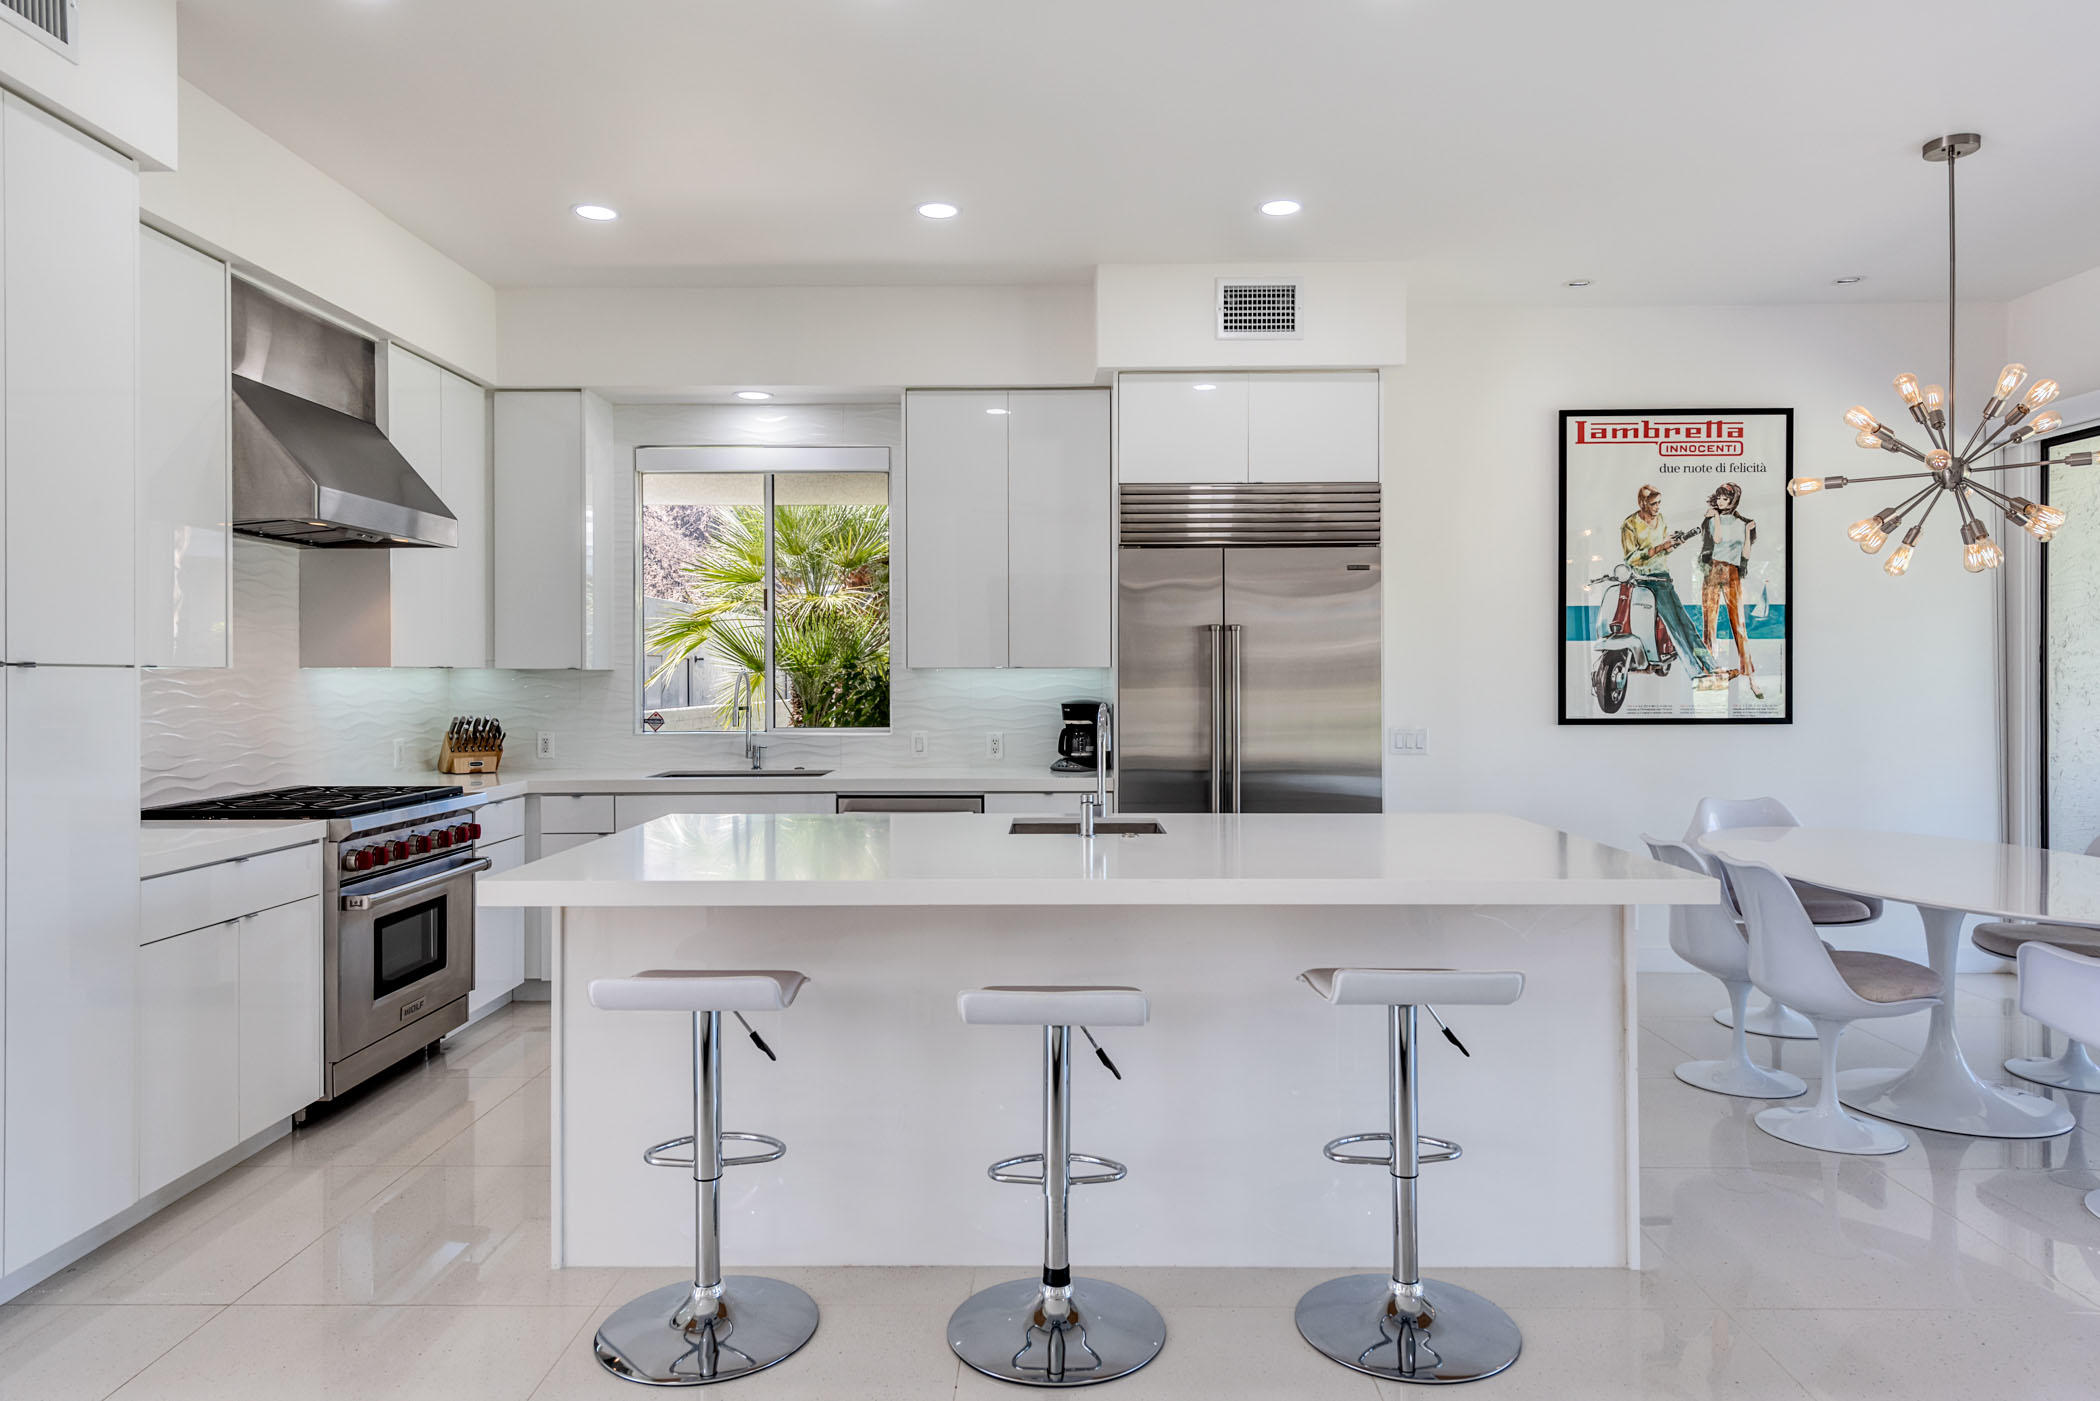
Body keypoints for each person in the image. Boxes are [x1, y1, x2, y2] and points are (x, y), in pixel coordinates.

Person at [1617, 485, 1718, 683]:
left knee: (1687, 626)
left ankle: (1712, 666)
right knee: (1675, 629)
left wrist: (1673, 544)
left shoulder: (1660, 519)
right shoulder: (1629, 524)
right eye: (1653, 503)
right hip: (1647, 582)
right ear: (1642, 503)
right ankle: (1695, 672)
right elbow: (1631, 559)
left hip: (1664, 577)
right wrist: (1662, 546)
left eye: (1659, 503)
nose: (1657, 507)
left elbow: (1662, 552)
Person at [1699, 482, 1764, 699]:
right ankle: (1710, 673)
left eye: (1725, 498)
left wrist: (1747, 532)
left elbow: (1745, 554)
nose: (1720, 501)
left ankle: (1750, 677)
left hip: (1732, 573)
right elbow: (1716, 539)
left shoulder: (1744, 523)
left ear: (1733, 500)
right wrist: (1716, 517)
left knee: (1739, 623)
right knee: (1710, 622)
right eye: (1718, 498)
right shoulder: (1711, 520)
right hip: (1714, 569)